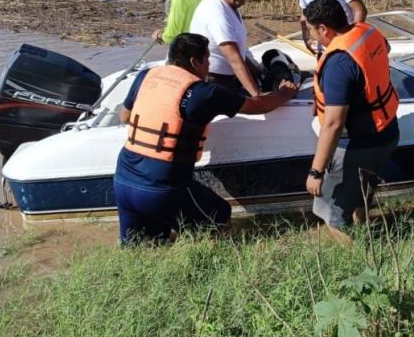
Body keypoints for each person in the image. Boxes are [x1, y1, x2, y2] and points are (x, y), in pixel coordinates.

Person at [114, 33, 298, 245]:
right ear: (194, 62)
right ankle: (202, 262)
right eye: (207, 60)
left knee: (143, 247)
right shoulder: (204, 93)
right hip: (162, 187)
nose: (209, 66)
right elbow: (258, 106)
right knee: (219, 216)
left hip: (123, 180)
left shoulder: (146, 76)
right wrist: (284, 92)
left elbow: (125, 116)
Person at [303, 0, 399, 244]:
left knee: (333, 214)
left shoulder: (338, 64)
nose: (312, 37)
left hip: (361, 144)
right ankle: (368, 234)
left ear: (324, 28)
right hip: (388, 131)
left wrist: (316, 171)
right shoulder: (368, 31)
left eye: (312, 31)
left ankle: (358, 264)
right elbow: (384, 51)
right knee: (359, 197)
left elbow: (333, 124)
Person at [189, 0, 266, 96]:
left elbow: (239, 53)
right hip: (213, 82)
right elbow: (234, 58)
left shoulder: (230, 5)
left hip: (228, 78)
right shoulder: (216, 11)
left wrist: (259, 71)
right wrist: (258, 95)